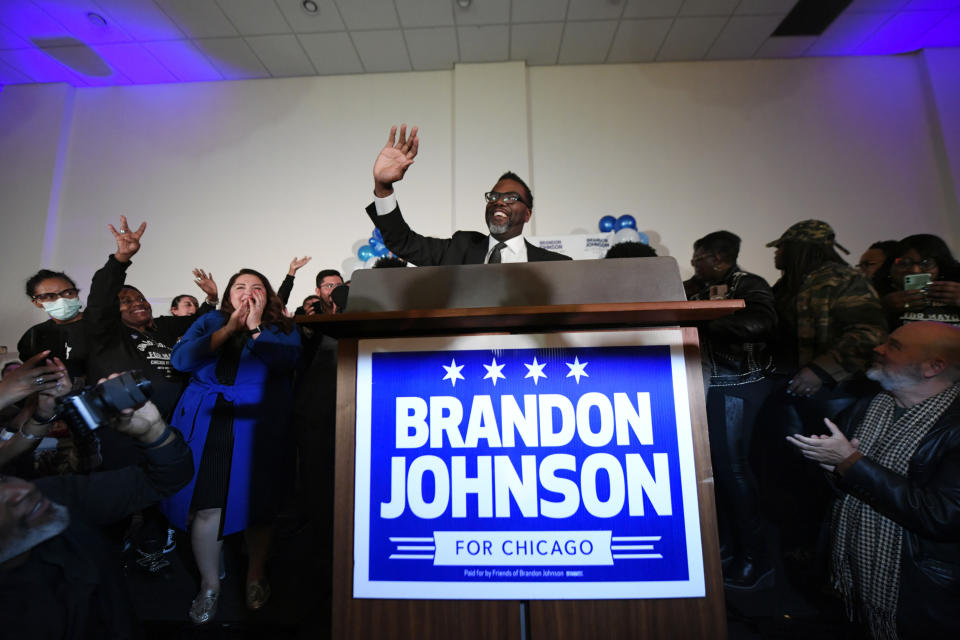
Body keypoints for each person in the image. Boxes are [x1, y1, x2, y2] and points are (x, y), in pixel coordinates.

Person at [787, 321, 960, 640]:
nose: (877, 349)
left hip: (923, 595)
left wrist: (850, 463)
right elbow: (832, 487)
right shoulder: (867, 406)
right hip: (853, 572)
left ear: (933, 366)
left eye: (893, 346)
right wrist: (831, 468)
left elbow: (941, 515)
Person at [161, 268, 301, 625]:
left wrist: (254, 327)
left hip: (258, 423)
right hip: (210, 422)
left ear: (268, 296)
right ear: (228, 295)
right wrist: (228, 329)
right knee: (208, 505)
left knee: (259, 504)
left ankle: (255, 575)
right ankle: (210, 584)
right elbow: (181, 361)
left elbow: (287, 363)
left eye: (257, 288)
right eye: (240, 287)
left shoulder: (281, 327)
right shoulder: (209, 321)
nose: (248, 292)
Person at [0, 392, 193, 639]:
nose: (22, 490)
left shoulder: (53, 497)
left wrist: (153, 431)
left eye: (4, 479)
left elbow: (168, 478)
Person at [683, 231, 778, 589]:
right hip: (708, 385)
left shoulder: (749, 284)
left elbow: (761, 323)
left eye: (699, 257)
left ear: (719, 260)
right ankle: (729, 545)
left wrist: (703, 320)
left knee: (733, 472)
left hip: (738, 384)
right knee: (718, 473)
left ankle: (756, 557)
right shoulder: (693, 286)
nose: (693, 264)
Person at [366, 125, 570, 265]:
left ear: (527, 214)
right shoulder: (459, 247)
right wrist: (383, 187)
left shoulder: (555, 265)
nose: (499, 202)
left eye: (510, 198)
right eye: (493, 197)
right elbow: (403, 243)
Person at [18, 269, 89, 381]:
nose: (61, 300)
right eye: (49, 296)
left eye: (68, 293)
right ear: (37, 302)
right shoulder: (35, 335)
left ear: (76, 294)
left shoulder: (100, 324)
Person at [880, 234, 960, 328]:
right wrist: (883, 308)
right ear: (890, 267)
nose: (915, 270)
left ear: (941, 266)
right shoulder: (876, 294)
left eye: (926, 263)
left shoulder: (956, 290)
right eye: (904, 263)